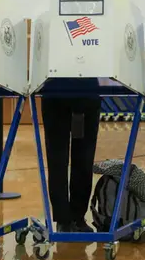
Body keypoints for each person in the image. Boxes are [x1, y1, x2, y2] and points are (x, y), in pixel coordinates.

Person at [41, 97, 101, 232]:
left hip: (87, 98)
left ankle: (78, 216)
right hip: (55, 97)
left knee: (84, 160)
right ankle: (62, 219)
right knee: (57, 162)